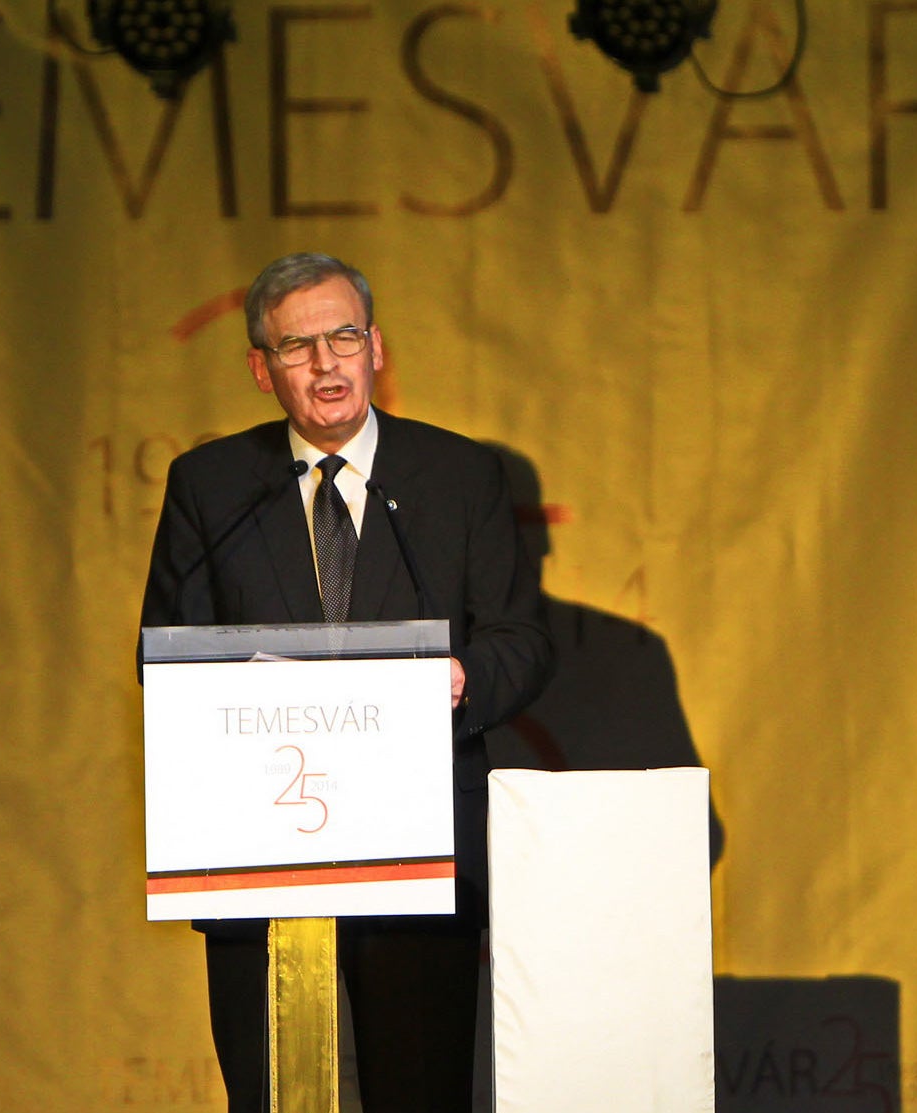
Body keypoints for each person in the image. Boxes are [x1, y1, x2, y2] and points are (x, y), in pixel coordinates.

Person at [140, 252, 553, 1113]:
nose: (326, 363)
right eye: (297, 346)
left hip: (419, 847)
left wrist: (461, 677)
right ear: (261, 368)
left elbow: (519, 642)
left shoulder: (458, 475)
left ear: (376, 348)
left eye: (344, 337)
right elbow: (164, 660)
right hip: (258, 849)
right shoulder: (211, 487)